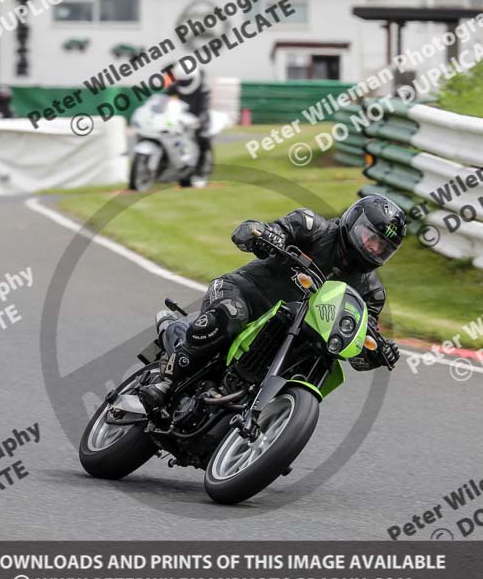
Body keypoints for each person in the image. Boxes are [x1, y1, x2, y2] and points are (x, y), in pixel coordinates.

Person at [139, 194, 406, 411]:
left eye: (382, 247)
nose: (373, 248)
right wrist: (265, 234)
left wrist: (376, 353)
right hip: (245, 294)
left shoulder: (372, 293)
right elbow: (247, 231)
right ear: (353, 222)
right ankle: (166, 381)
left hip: (293, 331)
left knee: (322, 359)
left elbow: (356, 346)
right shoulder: (311, 225)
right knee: (231, 315)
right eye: (370, 238)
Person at [164, 63, 212, 185]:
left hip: (198, 116)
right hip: (181, 117)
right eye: (182, 81)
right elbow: (163, 98)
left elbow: (204, 108)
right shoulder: (176, 85)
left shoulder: (203, 88)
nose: (184, 83)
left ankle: (201, 171)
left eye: (186, 81)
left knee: (202, 138)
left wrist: (199, 121)